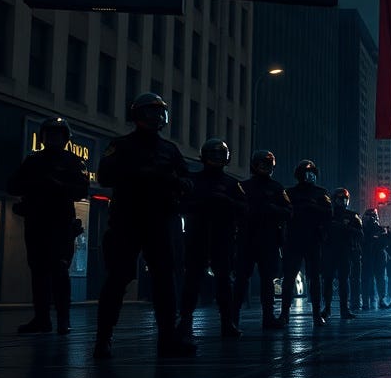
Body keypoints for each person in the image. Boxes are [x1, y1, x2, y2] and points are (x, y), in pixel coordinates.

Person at [93, 93, 195, 359]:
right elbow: (104, 175)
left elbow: (187, 180)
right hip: (128, 219)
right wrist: (142, 174)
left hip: (161, 221)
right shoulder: (121, 145)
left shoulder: (170, 150)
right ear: (137, 115)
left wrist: (178, 182)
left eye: (159, 113)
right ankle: (103, 338)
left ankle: (167, 339)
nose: (157, 118)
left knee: (165, 280)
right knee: (118, 277)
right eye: (150, 113)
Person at [7, 117, 89, 335]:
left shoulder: (73, 162)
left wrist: (58, 186)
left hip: (61, 223)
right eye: (49, 134)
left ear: (65, 138)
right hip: (36, 222)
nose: (53, 138)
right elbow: (13, 185)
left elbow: (82, 190)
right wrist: (34, 186)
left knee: (60, 271)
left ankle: (63, 319)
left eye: (57, 134)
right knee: (38, 271)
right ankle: (42, 318)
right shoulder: (33, 161)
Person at [178, 138, 246, 339]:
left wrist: (227, 203)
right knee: (191, 280)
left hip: (221, 237)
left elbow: (245, 209)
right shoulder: (193, 179)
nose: (216, 158)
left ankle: (227, 322)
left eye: (220, 155)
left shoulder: (232, 184)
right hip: (196, 236)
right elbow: (180, 204)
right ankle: (185, 320)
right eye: (213, 154)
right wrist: (201, 204)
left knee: (224, 281)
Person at [234, 150, 292, 330]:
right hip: (247, 238)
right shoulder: (243, 186)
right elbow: (234, 209)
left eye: (267, 165)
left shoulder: (277, 188)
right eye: (261, 164)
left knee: (268, 281)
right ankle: (232, 317)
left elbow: (289, 211)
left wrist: (272, 209)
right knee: (242, 279)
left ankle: (268, 317)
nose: (264, 168)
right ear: (254, 165)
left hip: (268, 240)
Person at [279, 160, 332, 328]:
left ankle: (317, 315)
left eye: (312, 173)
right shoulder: (289, 192)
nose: (309, 176)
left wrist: (312, 208)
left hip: (313, 240)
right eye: (305, 172)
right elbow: (285, 212)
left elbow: (328, 214)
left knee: (314, 279)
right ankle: (284, 314)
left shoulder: (321, 192)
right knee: (288, 278)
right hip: (294, 239)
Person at [320, 188, 362, 320]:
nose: (343, 201)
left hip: (344, 252)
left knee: (344, 281)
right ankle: (327, 308)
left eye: (345, 199)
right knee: (327, 281)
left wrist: (346, 228)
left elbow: (360, 234)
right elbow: (319, 231)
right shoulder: (327, 215)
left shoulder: (352, 216)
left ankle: (345, 309)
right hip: (329, 251)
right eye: (340, 199)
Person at [360, 208, 389, 310]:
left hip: (378, 256)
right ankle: (366, 301)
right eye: (370, 216)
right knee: (367, 279)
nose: (372, 218)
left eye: (373, 216)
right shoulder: (362, 229)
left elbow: (385, 243)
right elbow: (361, 242)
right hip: (367, 256)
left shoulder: (381, 229)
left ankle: (381, 300)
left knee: (380, 279)